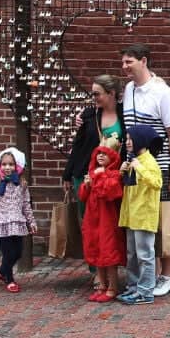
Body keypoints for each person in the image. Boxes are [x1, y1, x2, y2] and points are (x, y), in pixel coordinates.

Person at [120, 43, 170, 297]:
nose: (124, 67)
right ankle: (147, 276)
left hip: (159, 167)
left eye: (129, 62)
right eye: (123, 62)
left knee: (162, 222)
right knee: (140, 223)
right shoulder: (128, 90)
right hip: (134, 167)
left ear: (143, 61)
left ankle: (167, 276)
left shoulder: (162, 93)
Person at [62, 74, 124, 287]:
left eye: (97, 93)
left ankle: (113, 271)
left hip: (112, 179)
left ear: (111, 93)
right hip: (87, 176)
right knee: (89, 224)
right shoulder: (88, 115)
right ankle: (96, 272)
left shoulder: (125, 115)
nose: (94, 97)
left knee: (111, 225)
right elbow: (78, 145)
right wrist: (67, 174)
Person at [116, 125, 164, 305]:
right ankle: (133, 287)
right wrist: (122, 172)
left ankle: (145, 291)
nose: (127, 142)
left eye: (130, 138)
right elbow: (131, 189)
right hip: (132, 216)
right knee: (133, 255)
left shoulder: (149, 161)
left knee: (145, 255)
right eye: (126, 138)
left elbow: (157, 183)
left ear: (141, 140)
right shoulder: (133, 160)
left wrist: (139, 168)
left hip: (143, 216)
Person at [0, 147, 37, 293]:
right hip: (2, 223)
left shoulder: (22, 184)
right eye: (4, 164)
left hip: (18, 222)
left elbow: (26, 204)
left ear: (17, 166)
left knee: (18, 252)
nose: (7, 167)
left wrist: (31, 221)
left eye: (11, 164)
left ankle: (1, 271)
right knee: (8, 253)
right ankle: (9, 279)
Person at [78, 144, 124, 303]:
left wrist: (97, 177)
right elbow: (83, 196)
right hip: (93, 219)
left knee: (109, 252)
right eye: (98, 154)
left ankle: (113, 287)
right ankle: (102, 285)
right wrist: (87, 184)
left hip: (107, 220)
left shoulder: (114, 174)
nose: (101, 156)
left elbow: (110, 192)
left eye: (105, 154)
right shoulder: (93, 173)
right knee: (96, 251)